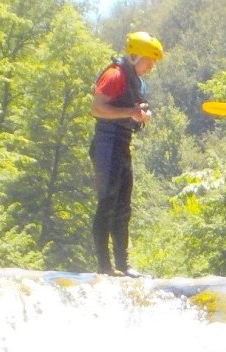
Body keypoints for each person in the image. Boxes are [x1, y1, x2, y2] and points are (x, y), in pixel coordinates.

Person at [88, 31, 163, 277]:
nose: (151, 66)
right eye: (148, 60)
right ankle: (104, 266)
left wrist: (140, 116)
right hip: (106, 145)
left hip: (122, 145)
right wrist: (131, 111)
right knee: (107, 203)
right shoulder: (115, 74)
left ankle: (123, 265)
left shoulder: (136, 81)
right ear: (134, 56)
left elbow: (130, 111)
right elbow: (97, 109)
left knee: (123, 207)